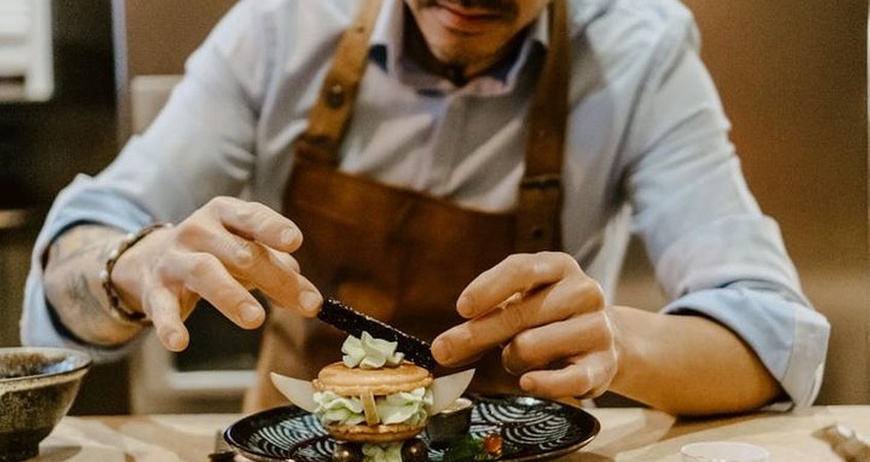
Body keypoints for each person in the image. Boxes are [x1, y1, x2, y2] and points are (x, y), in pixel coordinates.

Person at [21, 0, 829, 416]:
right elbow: (70, 269)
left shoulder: (639, 50)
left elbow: (772, 336)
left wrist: (620, 341)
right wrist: (134, 266)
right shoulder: (284, 25)